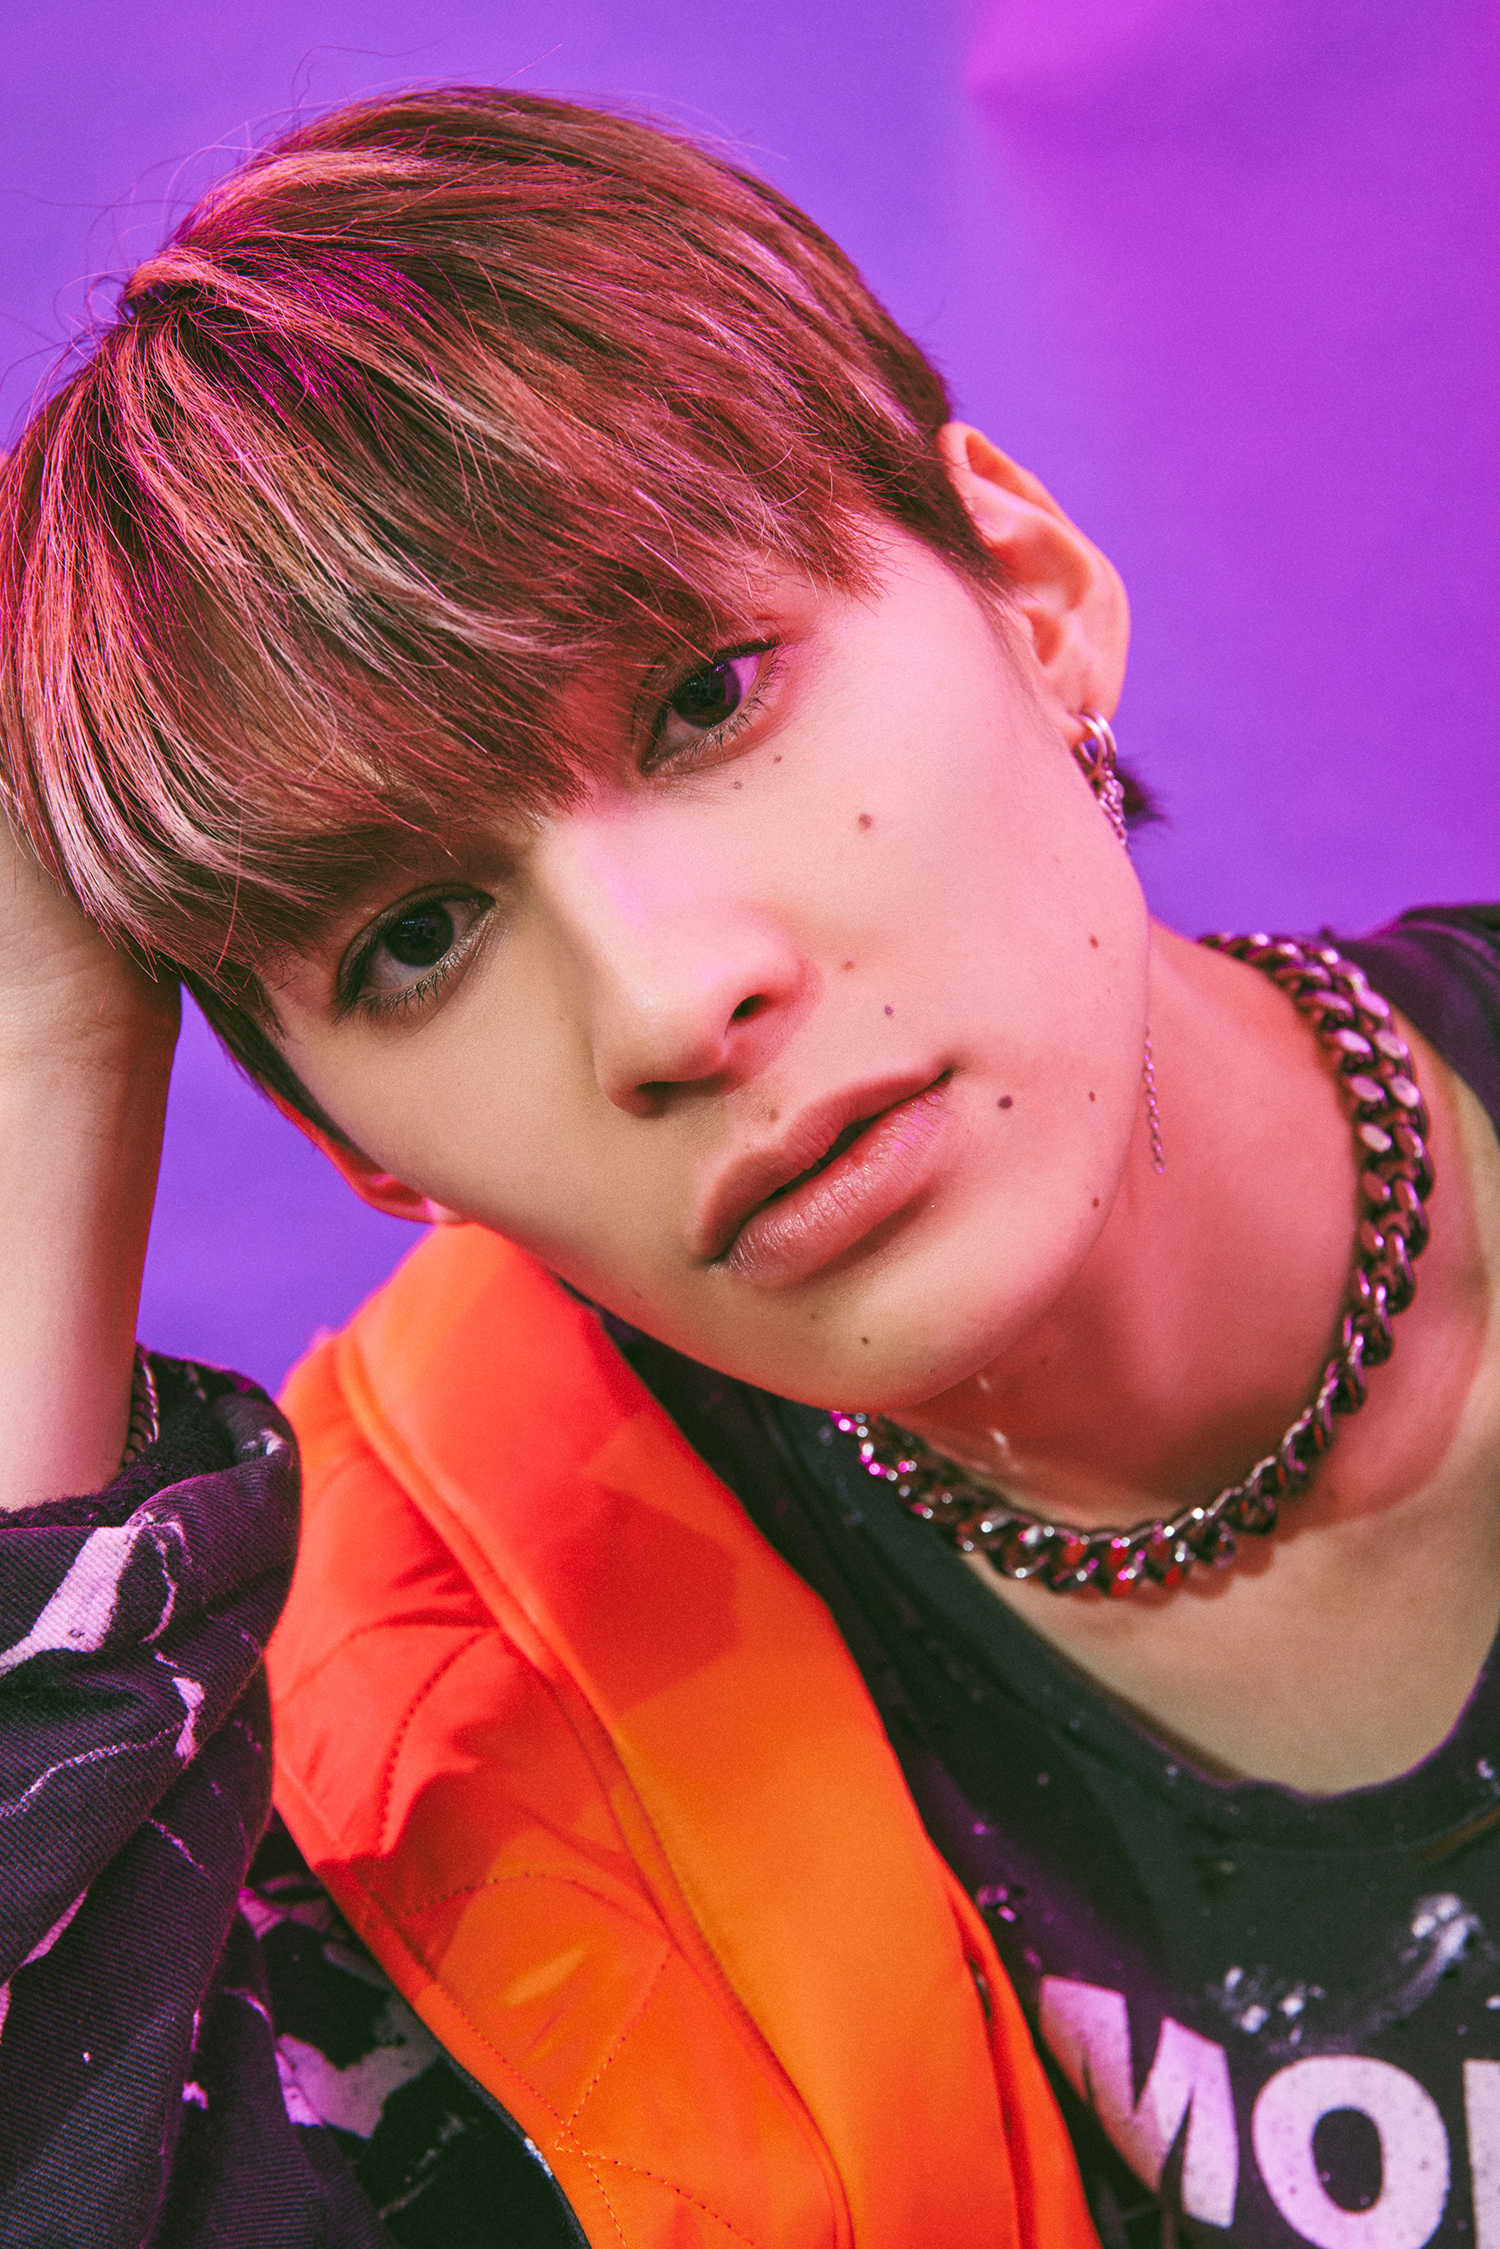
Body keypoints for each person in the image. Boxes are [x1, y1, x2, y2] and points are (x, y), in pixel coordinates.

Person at [0, 83, 1494, 2249]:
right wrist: (42, 1076)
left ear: (1032, 593)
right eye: (417, 937)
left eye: (708, 695)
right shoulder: (423, 1751)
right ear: (354, 1147)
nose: (667, 1000)